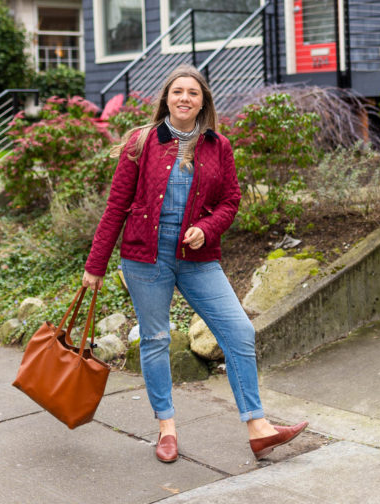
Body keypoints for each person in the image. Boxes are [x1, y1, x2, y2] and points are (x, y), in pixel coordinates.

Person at [82, 65, 308, 463]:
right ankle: (166, 429)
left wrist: (206, 227)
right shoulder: (141, 142)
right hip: (145, 258)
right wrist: (95, 265)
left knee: (238, 330)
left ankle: (258, 427)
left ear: (204, 101)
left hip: (197, 257)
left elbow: (230, 201)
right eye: (177, 91)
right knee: (155, 340)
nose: (184, 98)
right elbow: (116, 206)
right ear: (166, 98)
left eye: (193, 93)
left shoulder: (217, 145)